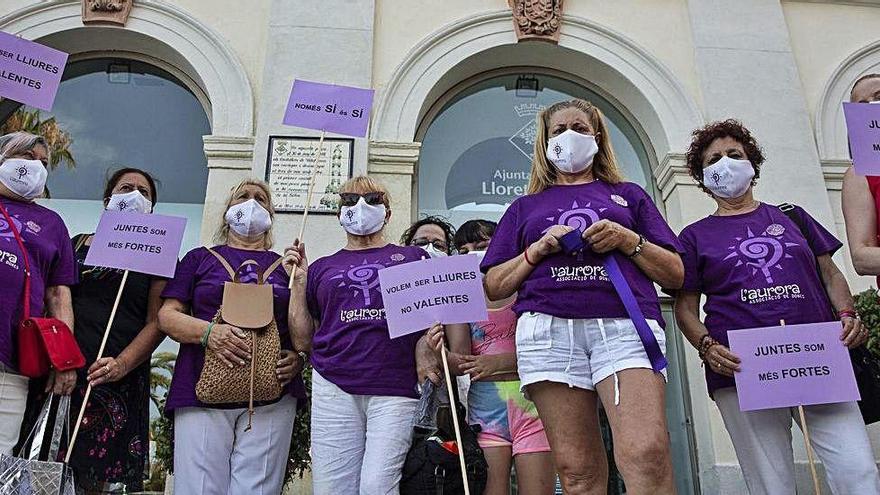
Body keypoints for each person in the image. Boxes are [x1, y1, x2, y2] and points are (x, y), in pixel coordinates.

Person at [481, 99, 683, 494]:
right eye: (558, 130)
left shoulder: (630, 194)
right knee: (575, 470)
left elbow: (675, 274)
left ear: (597, 137)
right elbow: (494, 286)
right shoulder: (523, 207)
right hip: (548, 332)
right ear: (544, 142)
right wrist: (534, 252)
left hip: (626, 326)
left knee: (647, 453)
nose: (569, 136)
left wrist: (629, 240)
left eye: (579, 127)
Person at [674, 119, 880, 494]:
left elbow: (831, 275)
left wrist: (848, 315)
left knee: (859, 471)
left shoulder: (792, 216)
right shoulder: (693, 237)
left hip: (817, 357)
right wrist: (707, 348)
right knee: (772, 484)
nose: (725, 163)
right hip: (741, 368)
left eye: (733, 154)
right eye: (714, 159)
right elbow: (685, 308)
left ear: (751, 163)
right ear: (703, 178)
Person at [288, 176, 439, 494]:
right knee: (332, 488)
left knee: (377, 486)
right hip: (333, 384)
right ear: (338, 213)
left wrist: (426, 349)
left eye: (372, 199)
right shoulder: (321, 267)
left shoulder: (413, 258)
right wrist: (299, 282)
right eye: (349, 200)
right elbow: (303, 340)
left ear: (387, 212)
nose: (360, 206)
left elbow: (432, 320)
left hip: (394, 385)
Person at [157, 178, 306, 494]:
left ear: (270, 215)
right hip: (201, 389)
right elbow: (167, 317)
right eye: (243, 196)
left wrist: (297, 356)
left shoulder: (287, 268)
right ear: (228, 210)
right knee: (198, 487)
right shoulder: (199, 258)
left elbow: (303, 333)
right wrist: (210, 333)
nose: (252, 202)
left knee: (259, 488)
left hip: (272, 394)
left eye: (261, 198)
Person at [428, 219, 555, 495]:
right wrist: (439, 351)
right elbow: (461, 361)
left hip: (533, 403)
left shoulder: (528, 287)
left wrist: (496, 364)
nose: (472, 253)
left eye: (482, 245)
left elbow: (546, 352)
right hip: (485, 409)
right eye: (463, 250)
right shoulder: (458, 298)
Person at [65, 168, 166, 493]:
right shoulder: (77, 243)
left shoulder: (160, 254)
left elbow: (157, 321)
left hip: (115, 378)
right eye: (126, 187)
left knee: (95, 479)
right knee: (49, 466)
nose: (135, 194)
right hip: (65, 372)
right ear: (109, 198)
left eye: (144, 191)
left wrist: (121, 363)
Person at [0, 131, 77, 455]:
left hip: (10, 362)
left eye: (44, 163)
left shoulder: (52, 224)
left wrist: (65, 360)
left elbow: (59, 296)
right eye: (27, 157)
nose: (36, 167)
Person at [842, 73, 880, 283]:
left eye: (879, 96)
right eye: (863, 105)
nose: (874, 106)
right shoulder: (860, 175)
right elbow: (861, 257)